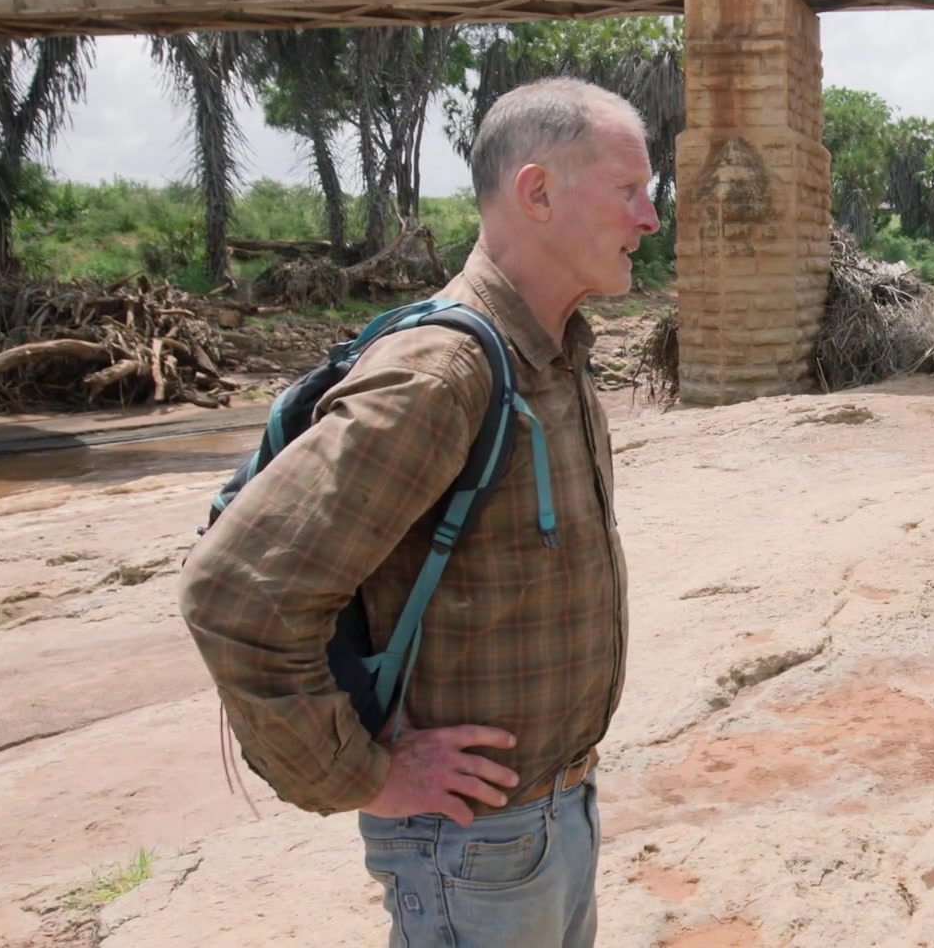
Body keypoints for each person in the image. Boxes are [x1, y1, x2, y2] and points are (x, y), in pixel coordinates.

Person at [180, 76, 658, 947]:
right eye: (629, 189)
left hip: (553, 815)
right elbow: (235, 594)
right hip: (470, 848)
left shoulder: (553, 353)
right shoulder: (443, 374)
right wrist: (362, 775)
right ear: (538, 193)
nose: (651, 218)